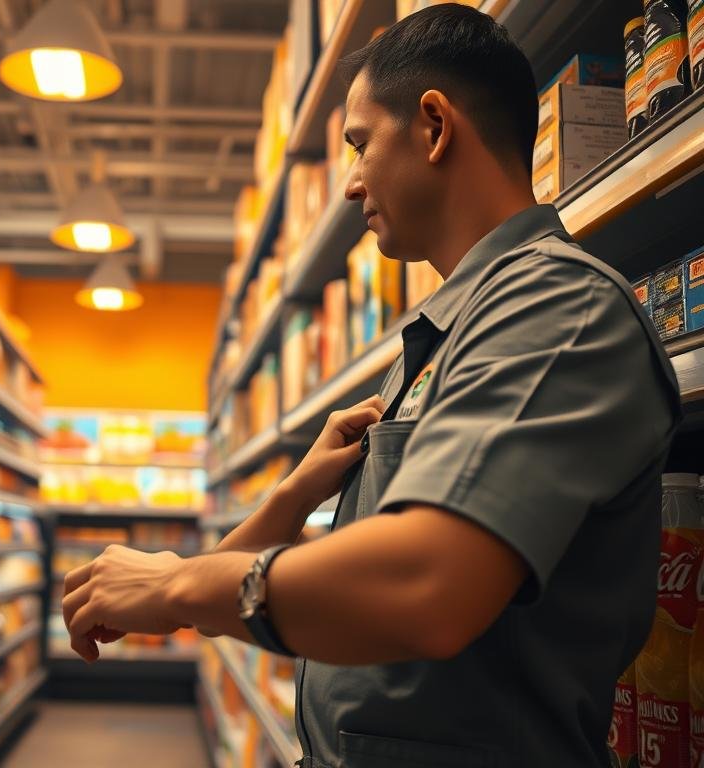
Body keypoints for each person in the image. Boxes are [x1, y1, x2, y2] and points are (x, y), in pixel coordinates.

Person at [61, 5, 682, 766]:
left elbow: (426, 583)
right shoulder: (448, 334)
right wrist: (293, 497)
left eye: (358, 145)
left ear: (432, 126)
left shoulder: (559, 308)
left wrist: (177, 590)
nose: (351, 184)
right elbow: (350, 574)